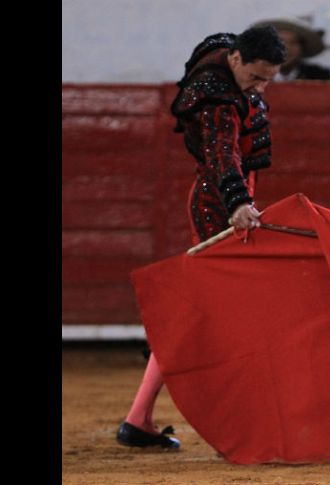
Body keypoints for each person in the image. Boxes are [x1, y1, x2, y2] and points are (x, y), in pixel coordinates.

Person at [115, 25, 287, 449]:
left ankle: (139, 418)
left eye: (268, 79)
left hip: (232, 201)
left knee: (206, 313)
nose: (261, 87)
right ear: (235, 60)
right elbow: (220, 154)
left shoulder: (230, 70)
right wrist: (235, 203)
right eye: (255, 78)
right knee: (226, 314)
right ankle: (246, 417)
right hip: (221, 205)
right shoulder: (216, 98)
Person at [252, 18, 330, 81]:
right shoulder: (253, 75)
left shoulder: (320, 76)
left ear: (302, 48)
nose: (286, 48)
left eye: (293, 42)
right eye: (280, 41)